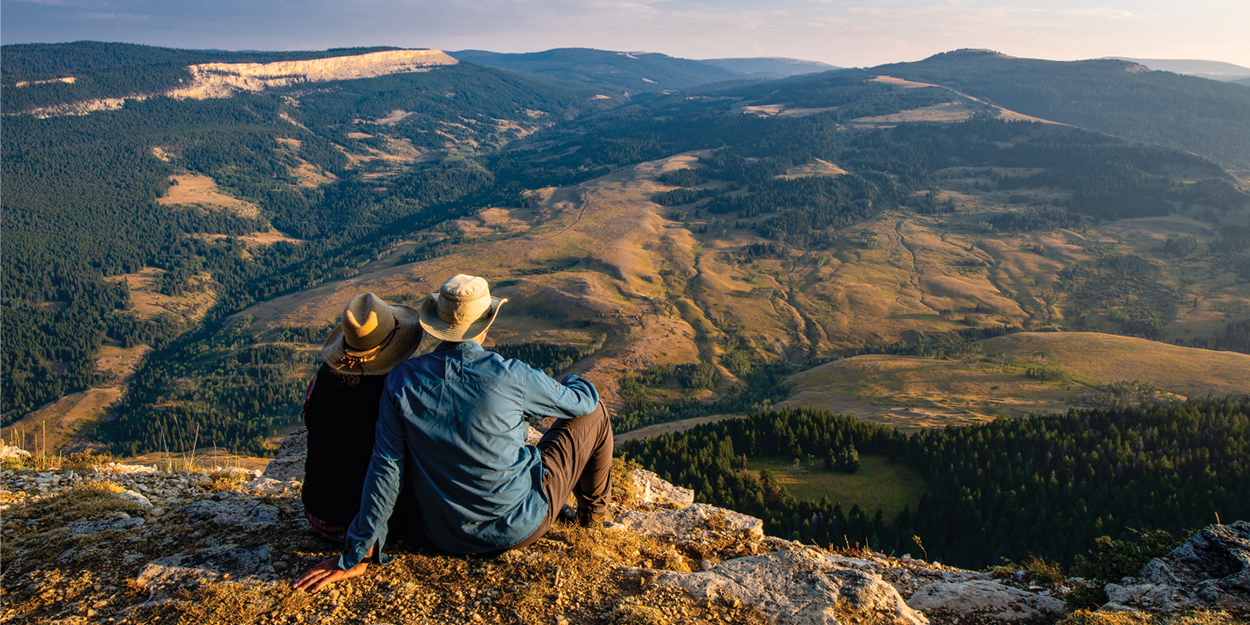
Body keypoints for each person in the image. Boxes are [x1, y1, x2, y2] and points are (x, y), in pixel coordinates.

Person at [296, 274, 614, 592]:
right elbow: (582, 403)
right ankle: (592, 520)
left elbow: (386, 468)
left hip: (441, 533)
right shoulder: (511, 374)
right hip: (518, 526)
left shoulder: (402, 380)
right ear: (487, 322)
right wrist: (575, 379)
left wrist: (358, 552)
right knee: (596, 414)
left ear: (437, 323)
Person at [301, 292, 424, 543]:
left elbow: (309, 419)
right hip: (376, 523)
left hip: (320, 517)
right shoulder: (395, 389)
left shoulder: (322, 379)